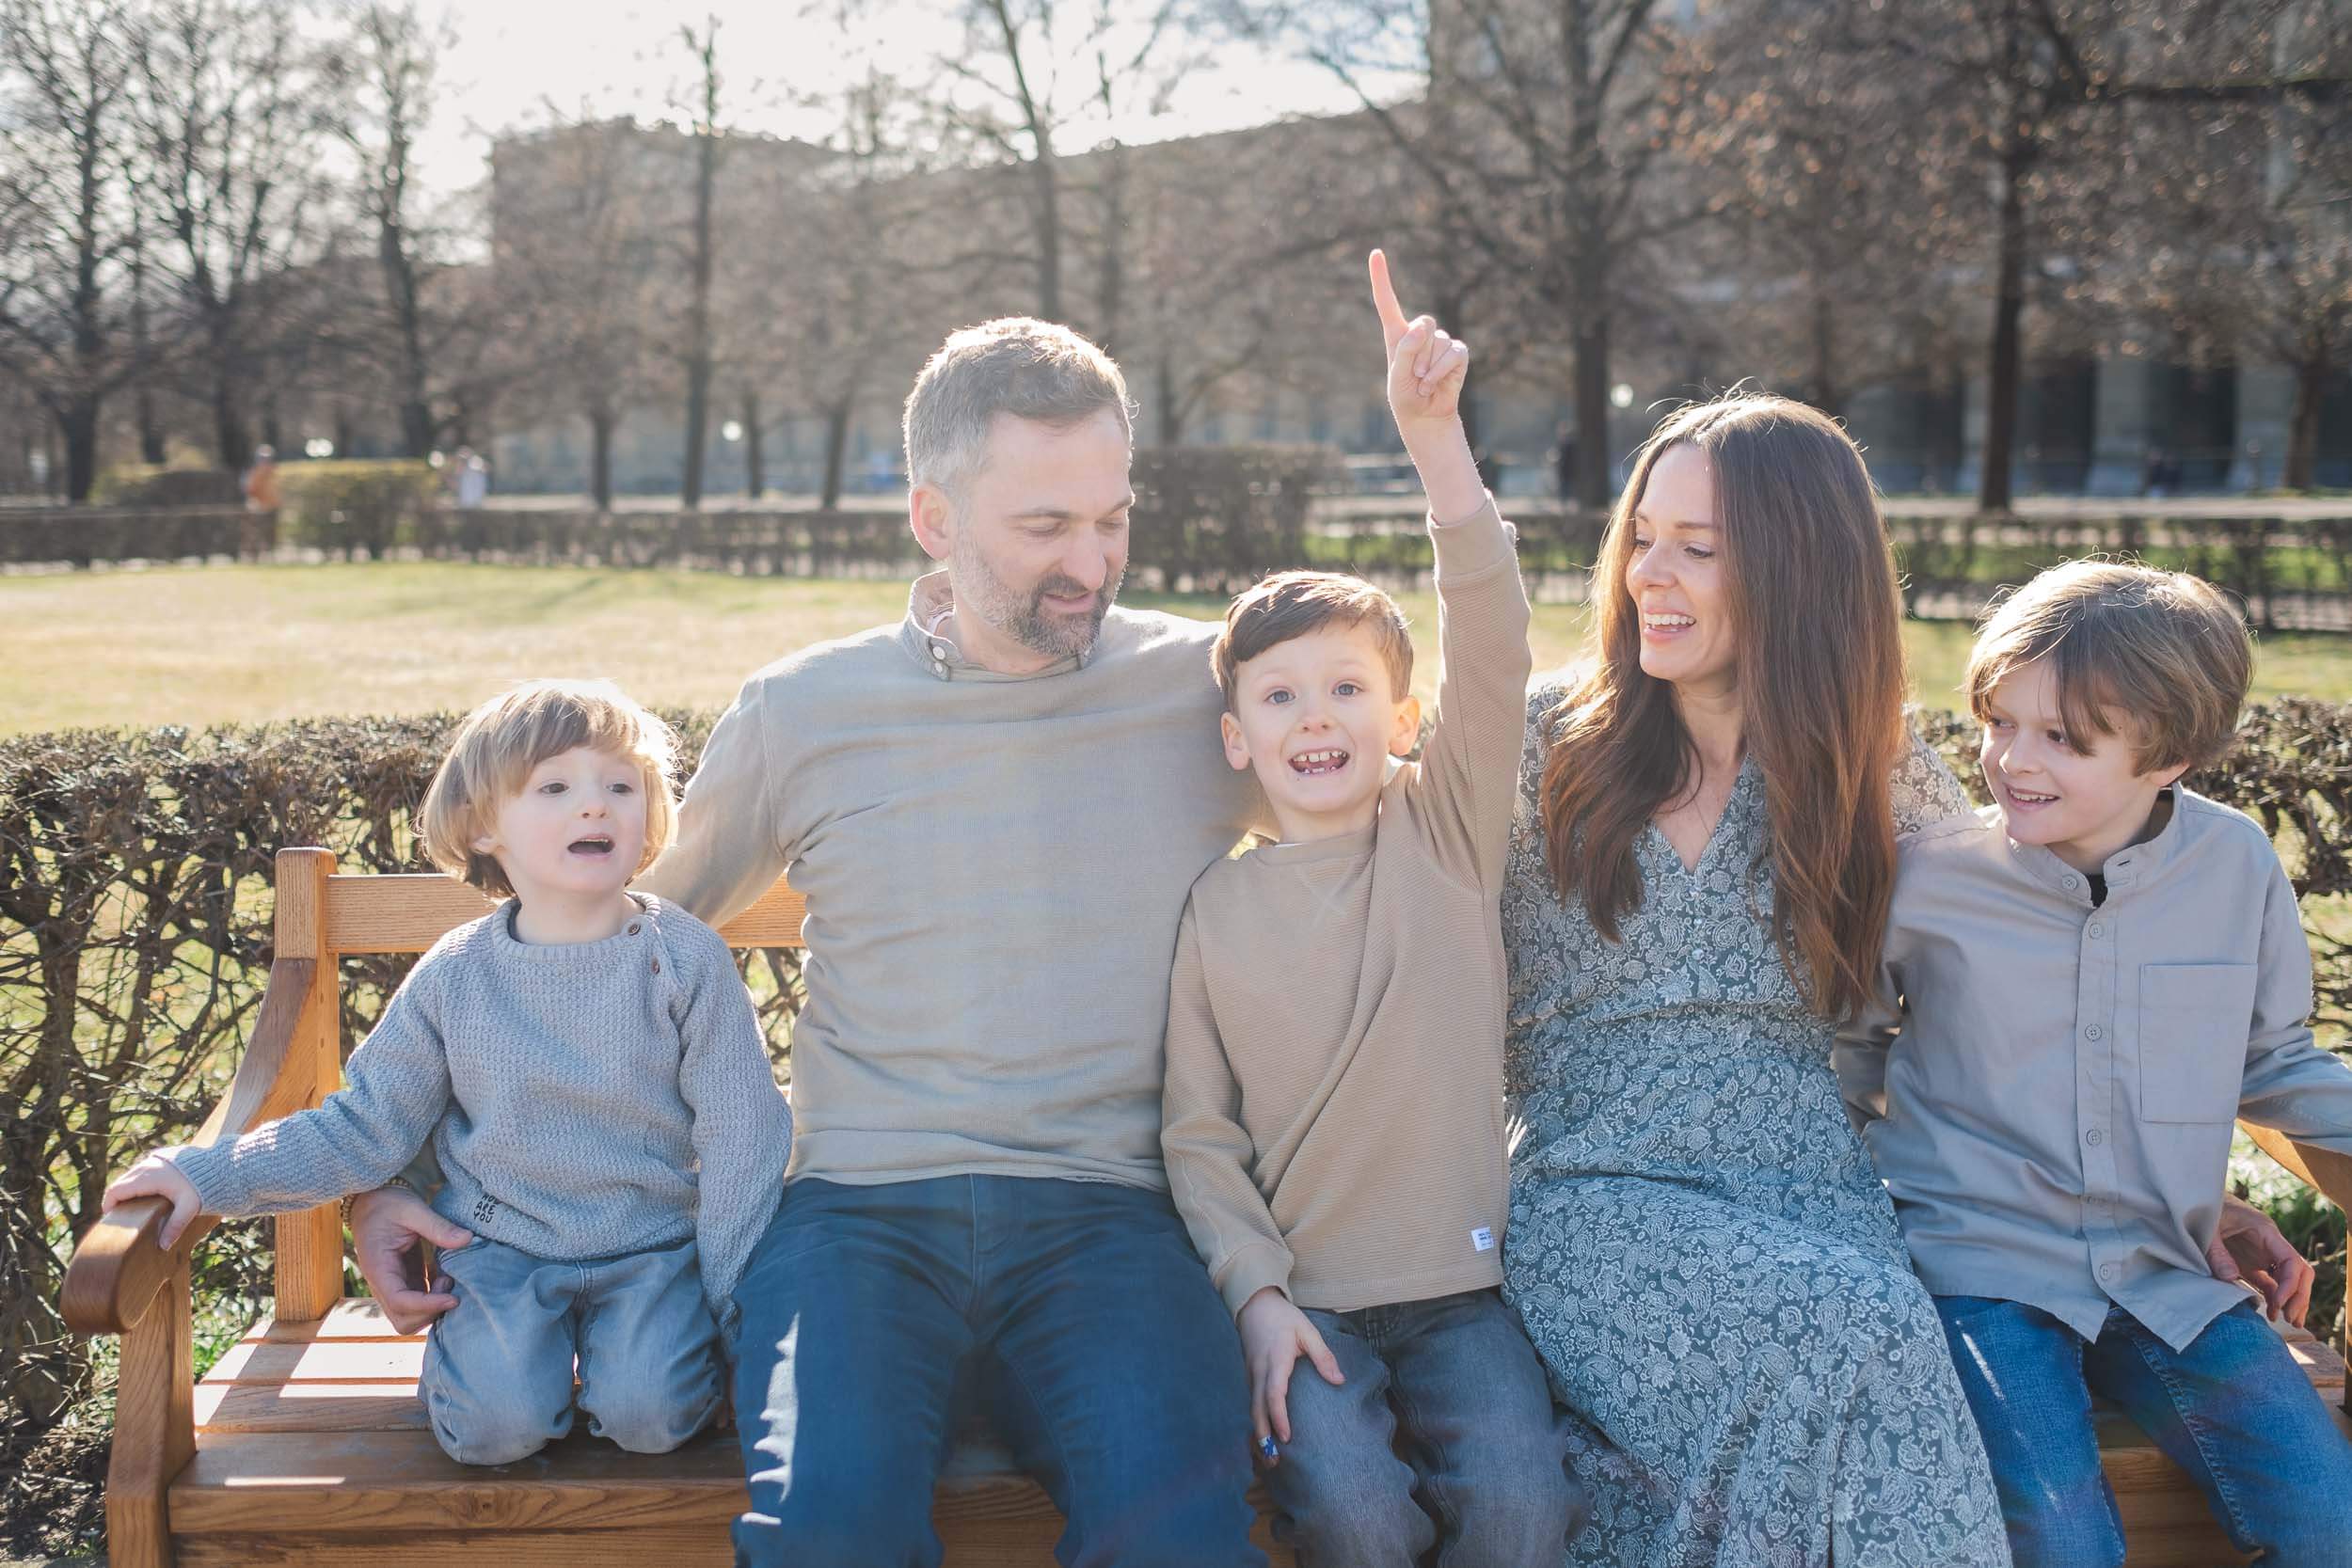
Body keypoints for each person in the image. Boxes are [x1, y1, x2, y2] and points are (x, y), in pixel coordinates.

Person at [353, 313, 1273, 1566]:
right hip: (856, 1218)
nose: (1093, 562)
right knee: (826, 1531)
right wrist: (393, 1165)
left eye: (1113, 516)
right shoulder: (804, 711)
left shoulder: (1200, 687)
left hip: (1111, 1215)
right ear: (935, 519)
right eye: (1046, 525)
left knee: (1183, 1538)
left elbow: (1402, 831)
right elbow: (592, 945)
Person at [1499, 390, 2012, 1566]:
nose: (1647, 575)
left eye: (1698, 548)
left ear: (1796, 568)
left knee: (1671, 1484)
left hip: (1811, 1197)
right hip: (1589, 1192)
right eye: (1642, 536)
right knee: (1871, 1335)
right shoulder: (1542, 737)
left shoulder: (1864, 757)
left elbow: (2012, 974)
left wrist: (2183, 1186)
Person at [1161, 254, 1583, 1566]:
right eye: (1280, 697)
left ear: (1398, 716)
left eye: (1345, 688)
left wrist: (1435, 441)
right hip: (1311, 1307)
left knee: (1524, 1512)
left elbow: (1494, 628)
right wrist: (1258, 1297)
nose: (1316, 718)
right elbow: (1198, 1132)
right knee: (1349, 1514)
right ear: (1238, 736)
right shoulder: (1215, 913)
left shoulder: (1444, 832)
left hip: (1467, 1295)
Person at [100, 679, 791, 1465]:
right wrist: (208, 1175)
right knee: (494, 1432)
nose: (595, 806)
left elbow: (745, 1137)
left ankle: (625, 1372)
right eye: (556, 786)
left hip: (652, 1248)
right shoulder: (456, 976)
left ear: (651, 816)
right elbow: (367, 1124)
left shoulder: (686, 959)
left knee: (653, 1416)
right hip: (498, 1248)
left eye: (620, 786)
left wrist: (739, 1316)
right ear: (483, 827)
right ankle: (481, 1369)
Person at [1836, 560, 2352, 1568]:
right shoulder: (1927, 875)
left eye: (2062, 738)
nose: (2009, 759)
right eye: (1997, 721)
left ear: (2170, 755)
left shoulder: (2235, 866)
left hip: (2166, 1278)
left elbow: (2274, 1060)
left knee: (2329, 1520)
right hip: (1976, 1276)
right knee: (2063, 1539)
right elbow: (1845, 1055)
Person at [243, 444, 278, 512]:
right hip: (261, 508)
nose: (265, 461)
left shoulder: (275, 471)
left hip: (274, 506)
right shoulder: (255, 473)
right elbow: (250, 490)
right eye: (263, 458)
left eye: (268, 458)